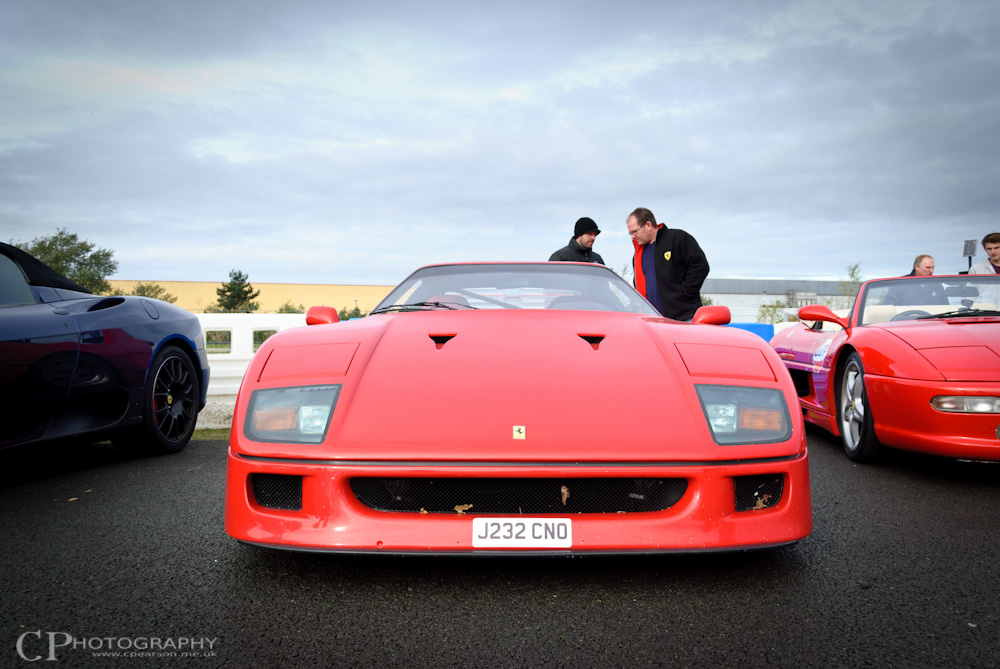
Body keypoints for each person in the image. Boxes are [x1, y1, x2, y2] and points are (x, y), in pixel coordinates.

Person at [626, 207, 709, 321]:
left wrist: (684, 293)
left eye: (635, 231)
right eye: (630, 233)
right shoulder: (638, 256)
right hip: (652, 320)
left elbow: (700, 266)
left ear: (648, 225)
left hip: (683, 317)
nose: (632, 237)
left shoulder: (677, 238)